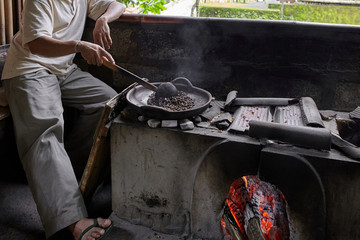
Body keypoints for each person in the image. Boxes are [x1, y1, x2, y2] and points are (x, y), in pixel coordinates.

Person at [1, 0, 125, 239]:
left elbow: (116, 4)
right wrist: (79, 45)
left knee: (108, 103)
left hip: (63, 71)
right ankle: (73, 221)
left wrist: (102, 19)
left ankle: (69, 178)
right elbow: (36, 44)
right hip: (29, 69)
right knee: (45, 130)